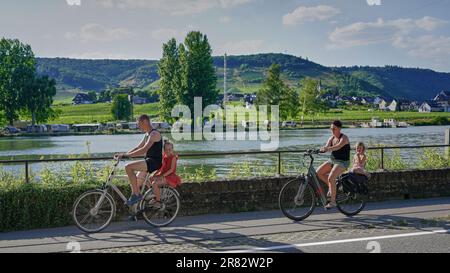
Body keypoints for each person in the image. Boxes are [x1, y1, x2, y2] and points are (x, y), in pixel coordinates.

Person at [115, 114, 163, 206]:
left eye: (139, 124)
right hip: (149, 161)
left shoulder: (154, 134)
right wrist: (124, 154)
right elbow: (138, 147)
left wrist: (127, 156)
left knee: (128, 167)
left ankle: (136, 194)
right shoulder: (147, 134)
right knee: (136, 184)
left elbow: (144, 149)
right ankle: (135, 211)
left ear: (145, 122)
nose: (138, 126)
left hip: (153, 163)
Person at [316, 120, 351, 209]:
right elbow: (327, 147)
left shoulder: (344, 138)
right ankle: (332, 187)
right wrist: (319, 150)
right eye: (331, 129)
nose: (332, 130)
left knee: (331, 177)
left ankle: (333, 201)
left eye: (334, 129)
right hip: (332, 160)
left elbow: (337, 147)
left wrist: (327, 149)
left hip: (342, 162)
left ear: (339, 128)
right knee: (318, 172)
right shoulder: (331, 138)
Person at [150, 141, 182, 206]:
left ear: (172, 149)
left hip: (170, 176)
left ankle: (158, 201)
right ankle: (156, 195)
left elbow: (171, 169)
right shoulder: (164, 157)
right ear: (164, 150)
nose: (168, 151)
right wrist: (155, 173)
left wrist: (162, 176)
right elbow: (161, 168)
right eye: (166, 149)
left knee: (154, 183)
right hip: (164, 174)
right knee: (150, 178)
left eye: (170, 149)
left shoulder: (173, 157)